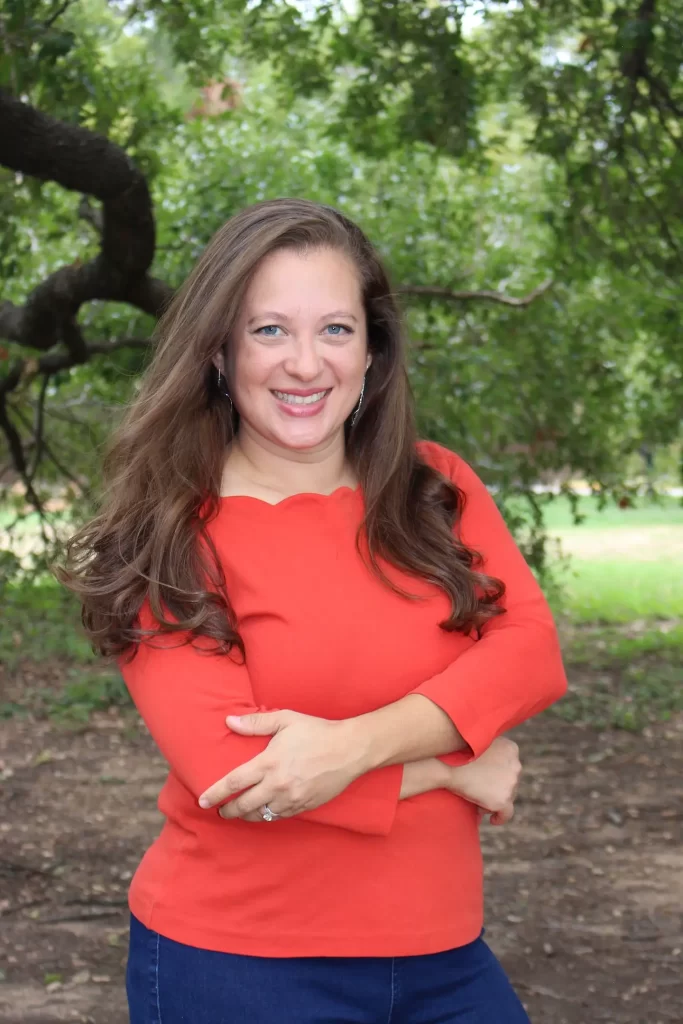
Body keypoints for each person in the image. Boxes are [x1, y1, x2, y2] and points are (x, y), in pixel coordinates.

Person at [55, 198, 567, 1023]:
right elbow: (237, 778)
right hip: (241, 964)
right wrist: (450, 761)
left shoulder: (434, 487)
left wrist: (354, 745)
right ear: (218, 352)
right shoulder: (166, 535)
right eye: (268, 331)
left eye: (334, 329)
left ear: (371, 352)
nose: (304, 363)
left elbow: (530, 653)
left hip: (443, 953)